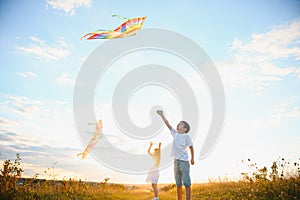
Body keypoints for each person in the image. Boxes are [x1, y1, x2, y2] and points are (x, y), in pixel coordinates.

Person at [157, 110, 194, 200]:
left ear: (185, 129)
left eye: (180, 124)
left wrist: (192, 158)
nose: (178, 124)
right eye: (178, 124)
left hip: (184, 162)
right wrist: (162, 115)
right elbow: (168, 125)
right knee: (178, 183)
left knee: (187, 183)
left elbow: (191, 147)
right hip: (176, 161)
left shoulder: (186, 136)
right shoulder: (175, 134)